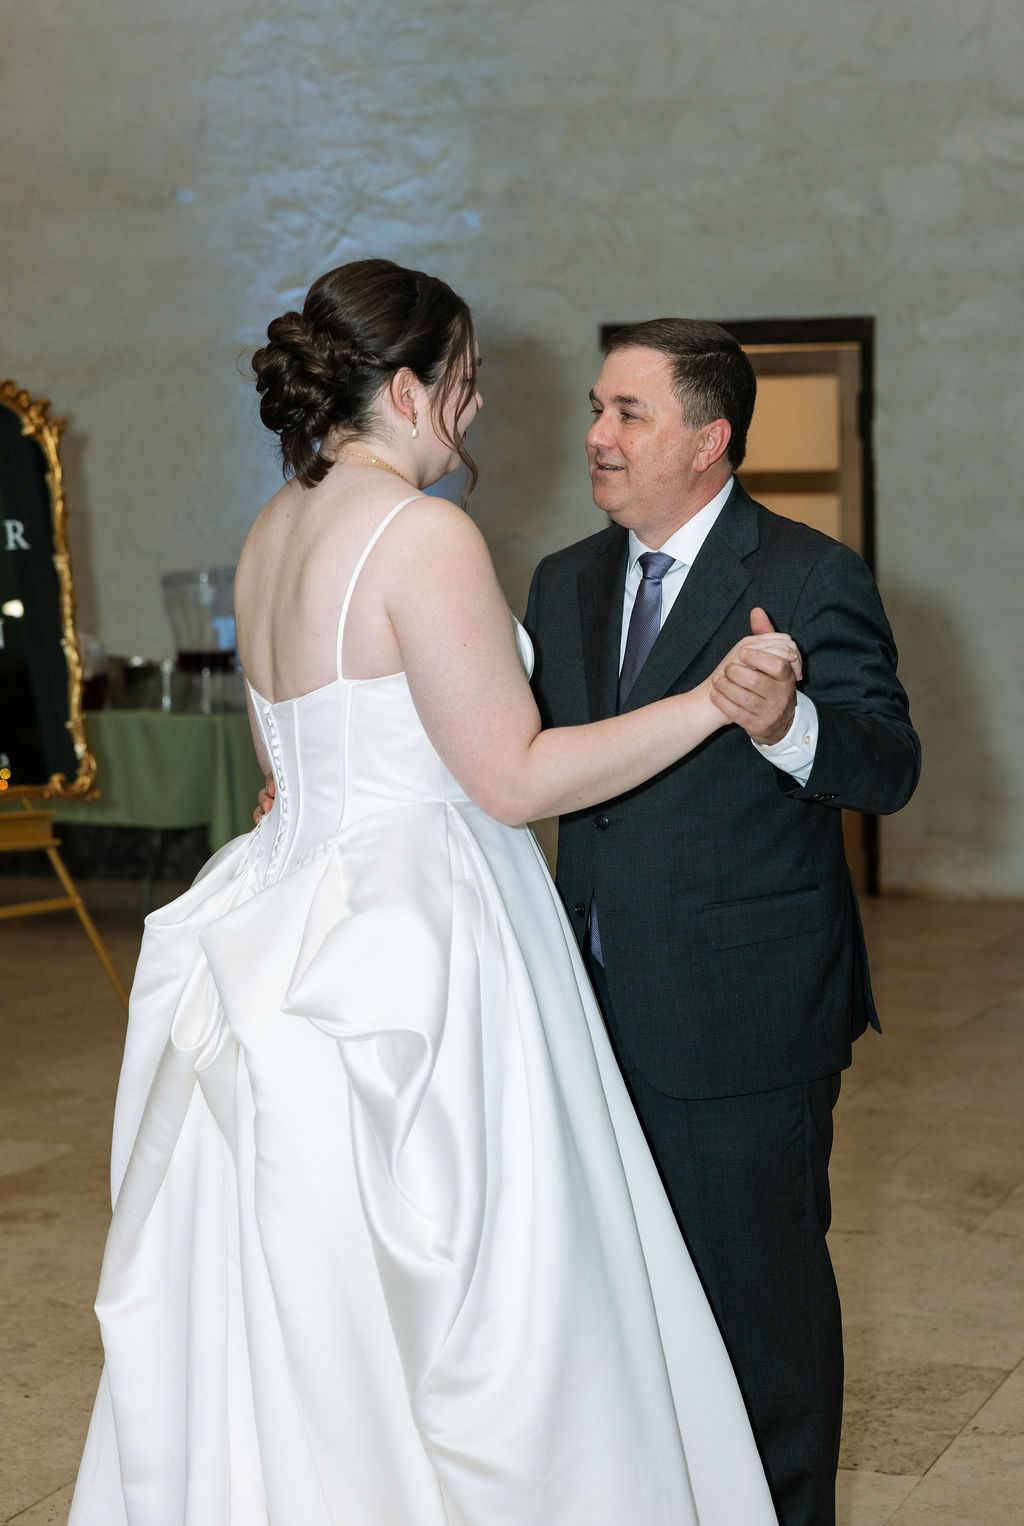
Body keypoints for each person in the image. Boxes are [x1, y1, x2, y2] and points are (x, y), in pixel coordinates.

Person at [69, 262, 792, 1525]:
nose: (472, 410)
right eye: (462, 383)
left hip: (282, 924)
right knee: (504, 1293)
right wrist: (706, 701)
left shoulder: (271, 529)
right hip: (424, 930)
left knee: (299, 1293)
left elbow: (284, 772)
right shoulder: (421, 534)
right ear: (405, 387)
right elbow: (511, 778)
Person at [524, 319, 922, 1526]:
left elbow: (890, 766)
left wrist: (784, 727)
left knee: (760, 1320)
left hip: (742, 1024)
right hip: (582, 1013)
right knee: (626, 1312)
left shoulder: (806, 574)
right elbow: (522, 757)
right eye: (597, 407)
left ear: (711, 440)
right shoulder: (562, 578)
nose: (596, 434)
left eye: (628, 413)